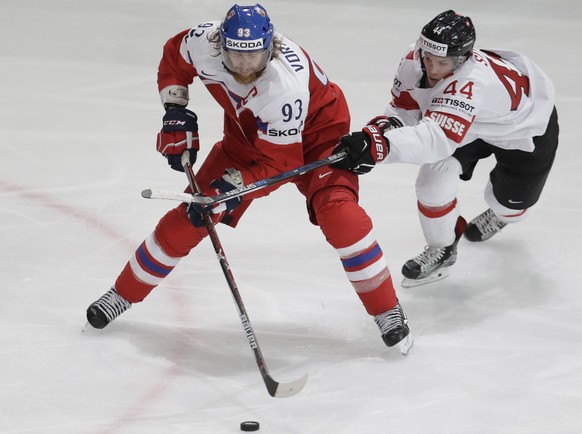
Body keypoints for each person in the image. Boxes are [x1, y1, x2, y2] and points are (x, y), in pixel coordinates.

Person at [86, 4, 413, 354]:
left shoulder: (284, 86)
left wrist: (231, 189)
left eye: (254, 55)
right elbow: (173, 59)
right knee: (193, 215)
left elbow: (278, 164)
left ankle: (387, 311)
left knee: (340, 215)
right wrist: (176, 110)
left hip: (319, 135)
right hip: (248, 133)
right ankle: (121, 294)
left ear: (269, 46)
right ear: (220, 43)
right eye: (236, 54)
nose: (244, 65)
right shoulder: (203, 42)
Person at [332, 10, 558, 287]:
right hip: (469, 126)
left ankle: (501, 215)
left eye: (443, 62)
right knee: (432, 183)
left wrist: (380, 147)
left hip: (524, 130)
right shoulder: (413, 60)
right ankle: (443, 247)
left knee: (510, 206)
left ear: (463, 58)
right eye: (427, 57)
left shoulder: (471, 83)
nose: (433, 69)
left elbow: (435, 140)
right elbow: (405, 108)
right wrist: (377, 132)